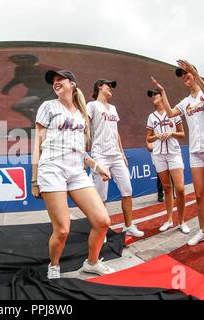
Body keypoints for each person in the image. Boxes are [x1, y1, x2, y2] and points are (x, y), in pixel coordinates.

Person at [32, 69, 114, 279]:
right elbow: (37, 144)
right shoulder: (48, 106)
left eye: (61, 79)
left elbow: (80, 151)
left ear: (72, 84)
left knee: (102, 221)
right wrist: (34, 179)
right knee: (62, 231)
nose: (56, 83)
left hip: (76, 171)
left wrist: (96, 166)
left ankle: (92, 263)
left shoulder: (81, 114)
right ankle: (54, 266)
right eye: (54, 81)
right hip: (51, 169)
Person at [151, 60, 204, 252]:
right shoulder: (186, 103)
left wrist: (196, 73)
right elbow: (169, 113)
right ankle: (202, 231)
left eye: (187, 73)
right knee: (200, 195)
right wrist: (162, 92)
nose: (185, 76)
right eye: (182, 75)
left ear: (194, 72)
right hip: (195, 152)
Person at [87, 79, 144, 237]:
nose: (111, 88)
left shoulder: (113, 108)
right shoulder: (91, 106)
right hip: (100, 156)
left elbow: (116, 132)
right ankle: (101, 231)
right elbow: (85, 125)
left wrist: (123, 153)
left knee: (127, 191)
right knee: (101, 197)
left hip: (116, 156)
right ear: (99, 87)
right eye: (109, 85)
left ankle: (129, 226)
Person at [146, 88, 189, 233]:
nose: (152, 97)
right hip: (159, 154)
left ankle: (181, 221)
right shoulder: (151, 117)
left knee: (181, 189)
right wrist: (158, 136)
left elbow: (182, 134)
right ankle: (169, 219)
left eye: (155, 94)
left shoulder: (173, 113)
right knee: (167, 188)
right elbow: (148, 138)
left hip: (173, 153)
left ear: (162, 96)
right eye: (151, 95)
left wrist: (171, 133)